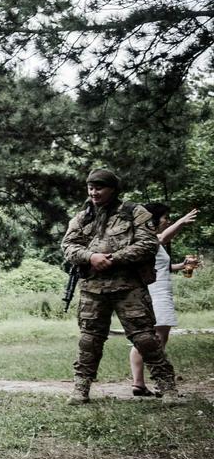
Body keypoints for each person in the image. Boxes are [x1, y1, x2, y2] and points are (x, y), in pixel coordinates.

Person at [61, 169, 176, 403]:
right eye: (91, 188)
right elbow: (68, 246)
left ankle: (168, 387)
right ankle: (80, 389)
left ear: (113, 189)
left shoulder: (135, 213)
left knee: (145, 338)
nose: (94, 192)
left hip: (129, 288)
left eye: (99, 187)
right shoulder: (83, 217)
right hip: (93, 289)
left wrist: (113, 259)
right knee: (89, 341)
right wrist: (91, 257)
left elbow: (148, 244)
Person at [129, 204, 199, 396]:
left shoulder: (149, 242)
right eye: (165, 217)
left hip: (157, 293)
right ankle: (160, 384)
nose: (167, 220)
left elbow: (161, 267)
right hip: (156, 294)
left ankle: (139, 384)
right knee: (157, 339)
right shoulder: (149, 238)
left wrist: (181, 266)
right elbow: (161, 238)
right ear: (153, 220)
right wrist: (181, 222)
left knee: (147, 339)